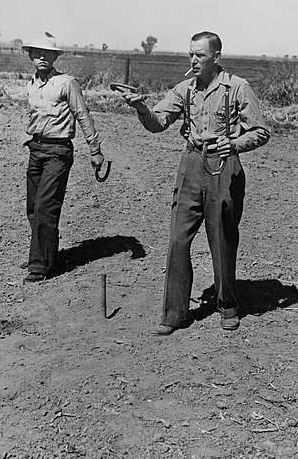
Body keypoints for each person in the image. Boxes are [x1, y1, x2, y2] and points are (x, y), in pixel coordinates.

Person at [119, 30, 270, 334]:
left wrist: (236, 143)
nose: (194, 60)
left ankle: (227, 305)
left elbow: (261, 131)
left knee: (222, 239)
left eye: (200, 55)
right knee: (177, 240)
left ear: (216, 57)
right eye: (191, 54)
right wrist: (140, 107)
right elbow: (157, 123)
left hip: (224, 165)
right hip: (190, 164)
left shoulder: (237, 88)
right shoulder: (184, 89)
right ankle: (174, 314)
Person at [21, 31, 104, 283]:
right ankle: (45, 254)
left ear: (55, 57)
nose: (42, 57)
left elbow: (83, 115)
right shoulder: (31, 84)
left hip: (58, 152)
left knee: (46, 207)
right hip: (36, 149)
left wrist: (95, 149)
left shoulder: (67, 83)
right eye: (37, 53)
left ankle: (39, 264)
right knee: (34, 208)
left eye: (48, 53)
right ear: (31, 56)